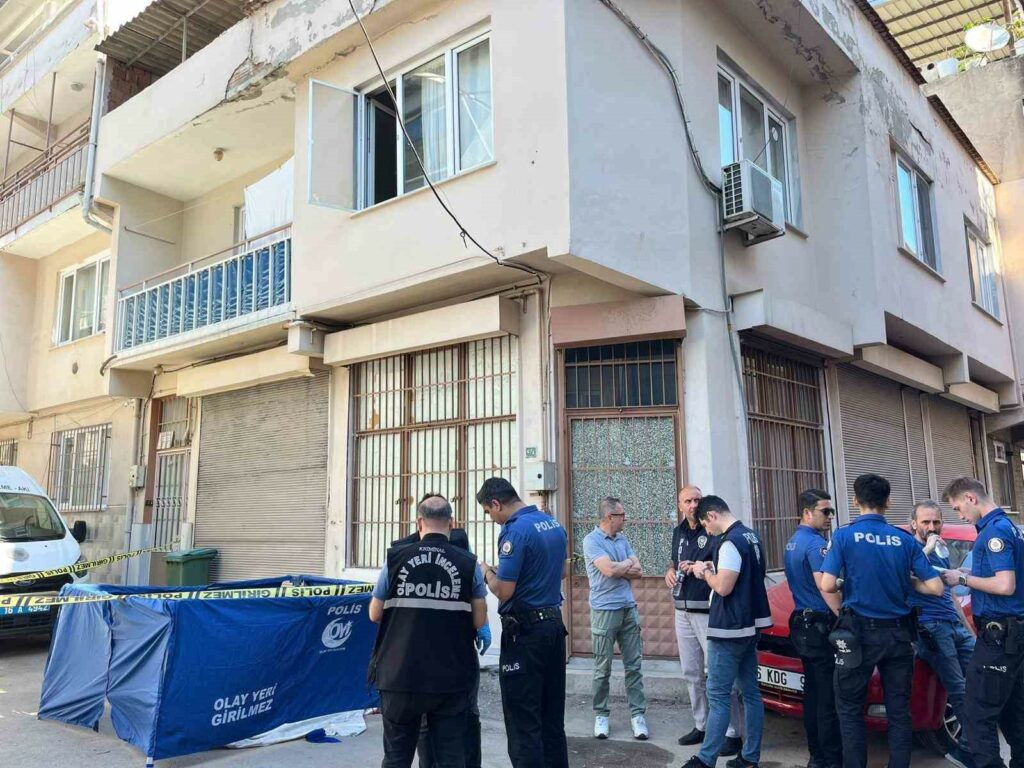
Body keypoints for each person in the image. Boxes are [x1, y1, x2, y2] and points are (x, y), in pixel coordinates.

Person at [820, 474, 944, 768]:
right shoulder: (904, 540)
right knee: (899, 710)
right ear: (887, 502)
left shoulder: (844, 536)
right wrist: (904, 580)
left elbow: (827, 585)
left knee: (850, 708)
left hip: (859, 635)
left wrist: (846, 581)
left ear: (855, 501)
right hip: (899, 636)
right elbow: (937, 588)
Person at [368, 494, 489, 768]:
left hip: (400, 676)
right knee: (451, 758)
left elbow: (375, 614)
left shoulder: (395, 559)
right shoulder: (468, 563)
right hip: (450, 678)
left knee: (396, 758)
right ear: (452, 523)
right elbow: (479, 620)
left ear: (418, 522)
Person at [477, 477, 569, 768]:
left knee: (523, 721)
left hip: (525, 634)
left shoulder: (514, 531)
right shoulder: (551, 524)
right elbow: (562, 572)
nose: (491, 518)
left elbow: (504, 591)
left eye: (488, 512)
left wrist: (486, 572)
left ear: (496, 504)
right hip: (553, 626)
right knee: (551, 717)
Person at [681, 495, 772, 768]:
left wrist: (704, 573)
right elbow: (745, 574)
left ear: (712, 516)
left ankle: (705, 759)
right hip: (750, 625)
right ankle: (750, 757)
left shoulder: (730, 541)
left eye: (706, 526)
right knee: (751, 694)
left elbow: (723, 587)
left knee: (718, 695)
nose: (708, 532)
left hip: (730, 628)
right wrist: (716, 568)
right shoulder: (751, 536)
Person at [940, 477, 1024, 768]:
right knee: (1012, 710)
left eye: (958, 508)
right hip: (1011, 635)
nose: (960, 516)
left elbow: (1005, 585)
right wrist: (970, 575)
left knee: (977, 714)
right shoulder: (1008, 526)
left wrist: (962, 579)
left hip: (999, 636)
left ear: (970, 498)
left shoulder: (995, 531)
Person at [666, 485, 743, 755]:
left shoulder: (712, 529)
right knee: (691, 672)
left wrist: (702, 568)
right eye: (688, 501)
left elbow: (724, 566)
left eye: (697, 500)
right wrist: (670, 571)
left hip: (708, 612)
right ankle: (702, 725)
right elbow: (673, 561)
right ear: (680, 505)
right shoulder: (678, 532)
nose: (693, 505)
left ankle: (732, 732)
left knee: (719, 674)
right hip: (682, 610)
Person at [907, 500, 976, 768]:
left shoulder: (942, 550)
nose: (932, 527)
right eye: (925, 522)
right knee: (958, 688)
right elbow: (903, 575)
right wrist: (925, 548)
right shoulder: (910, 548)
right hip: (931, 627)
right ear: (914, 524)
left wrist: (967, 629)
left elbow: (950, 595)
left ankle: (975, 744)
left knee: (980, 680)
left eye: (936, 522)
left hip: (954, 625)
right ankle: (970, 751)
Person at [782, 489, 842, 768]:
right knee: (826, 697)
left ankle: (816, 755)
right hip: (818, 625)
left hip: (802, 623)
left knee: (813, 694)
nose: (830, 517)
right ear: (807, 513)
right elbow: (825, 587)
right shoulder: (816, 544)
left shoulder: (793, 541)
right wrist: (843, 617)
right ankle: (829, 758)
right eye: (825, 511)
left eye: (831, 511)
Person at [583, 496, 648, 741]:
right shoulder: (591, 540)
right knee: (603, 668)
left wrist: (622, 566)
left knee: (634, 666)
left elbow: (639, 571)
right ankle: (601, 714)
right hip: (604, 611)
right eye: (622, 515)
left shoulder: (623, 539)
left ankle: (638, 715)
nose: (625, 519)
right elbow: (608, 570)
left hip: (628, 609)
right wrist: (625, 565)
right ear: (610, 517)